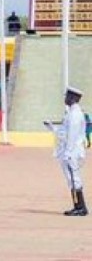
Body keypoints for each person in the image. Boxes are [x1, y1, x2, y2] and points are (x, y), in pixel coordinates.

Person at [45, 86, 87, 216]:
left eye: (67, 96)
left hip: (72, 152)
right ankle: (78, 206)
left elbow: (72, 135)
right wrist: (52, 128)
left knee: (74, 179)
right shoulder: (71, 113)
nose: (65, 98)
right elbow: (64, 133)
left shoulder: (75, 115)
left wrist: (68, 153)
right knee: (71, 179)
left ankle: (80, 207)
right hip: (69, 151)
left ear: (73, 98)